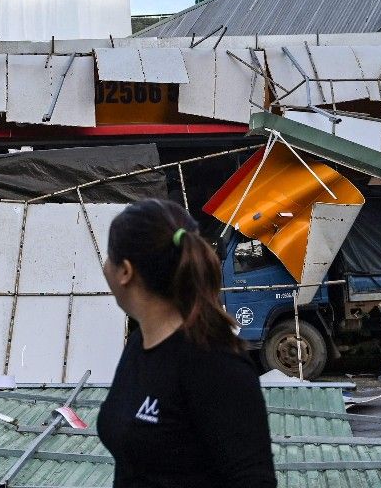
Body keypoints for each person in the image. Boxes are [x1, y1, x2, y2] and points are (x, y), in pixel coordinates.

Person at [97, 199, 276, 487]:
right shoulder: (139, 343)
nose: (104, 266)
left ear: (125, 271)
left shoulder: (216, 364)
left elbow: (253, 479)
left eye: (108, 256)